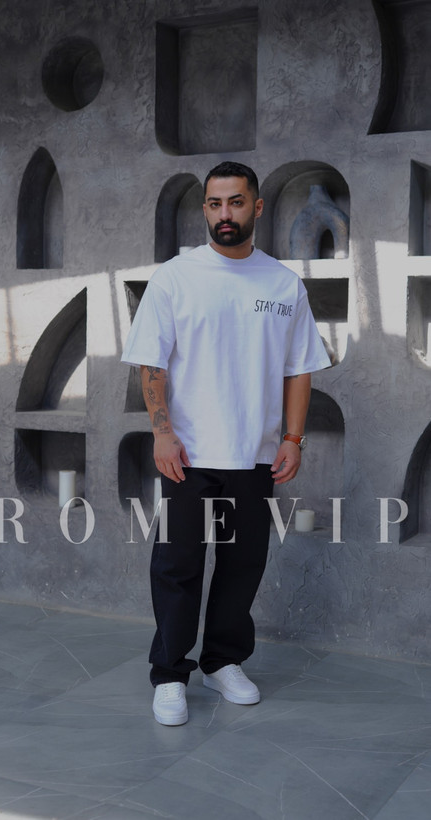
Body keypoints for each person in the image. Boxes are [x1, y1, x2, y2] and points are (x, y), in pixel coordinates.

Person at [121, 161, 330, 725]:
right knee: (177, 565)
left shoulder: (283, 284)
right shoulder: (175, 277)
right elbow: (151, 363)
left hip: (255, 454)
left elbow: (299, 369)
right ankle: (170, 674)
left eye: (236, 202)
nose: (225, 214)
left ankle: (222, 662)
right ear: (205, 209)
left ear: (256, 207)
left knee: (243, 564)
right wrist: (162, 433)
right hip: (187, 454)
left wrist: (293, 438)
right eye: (214, 204)